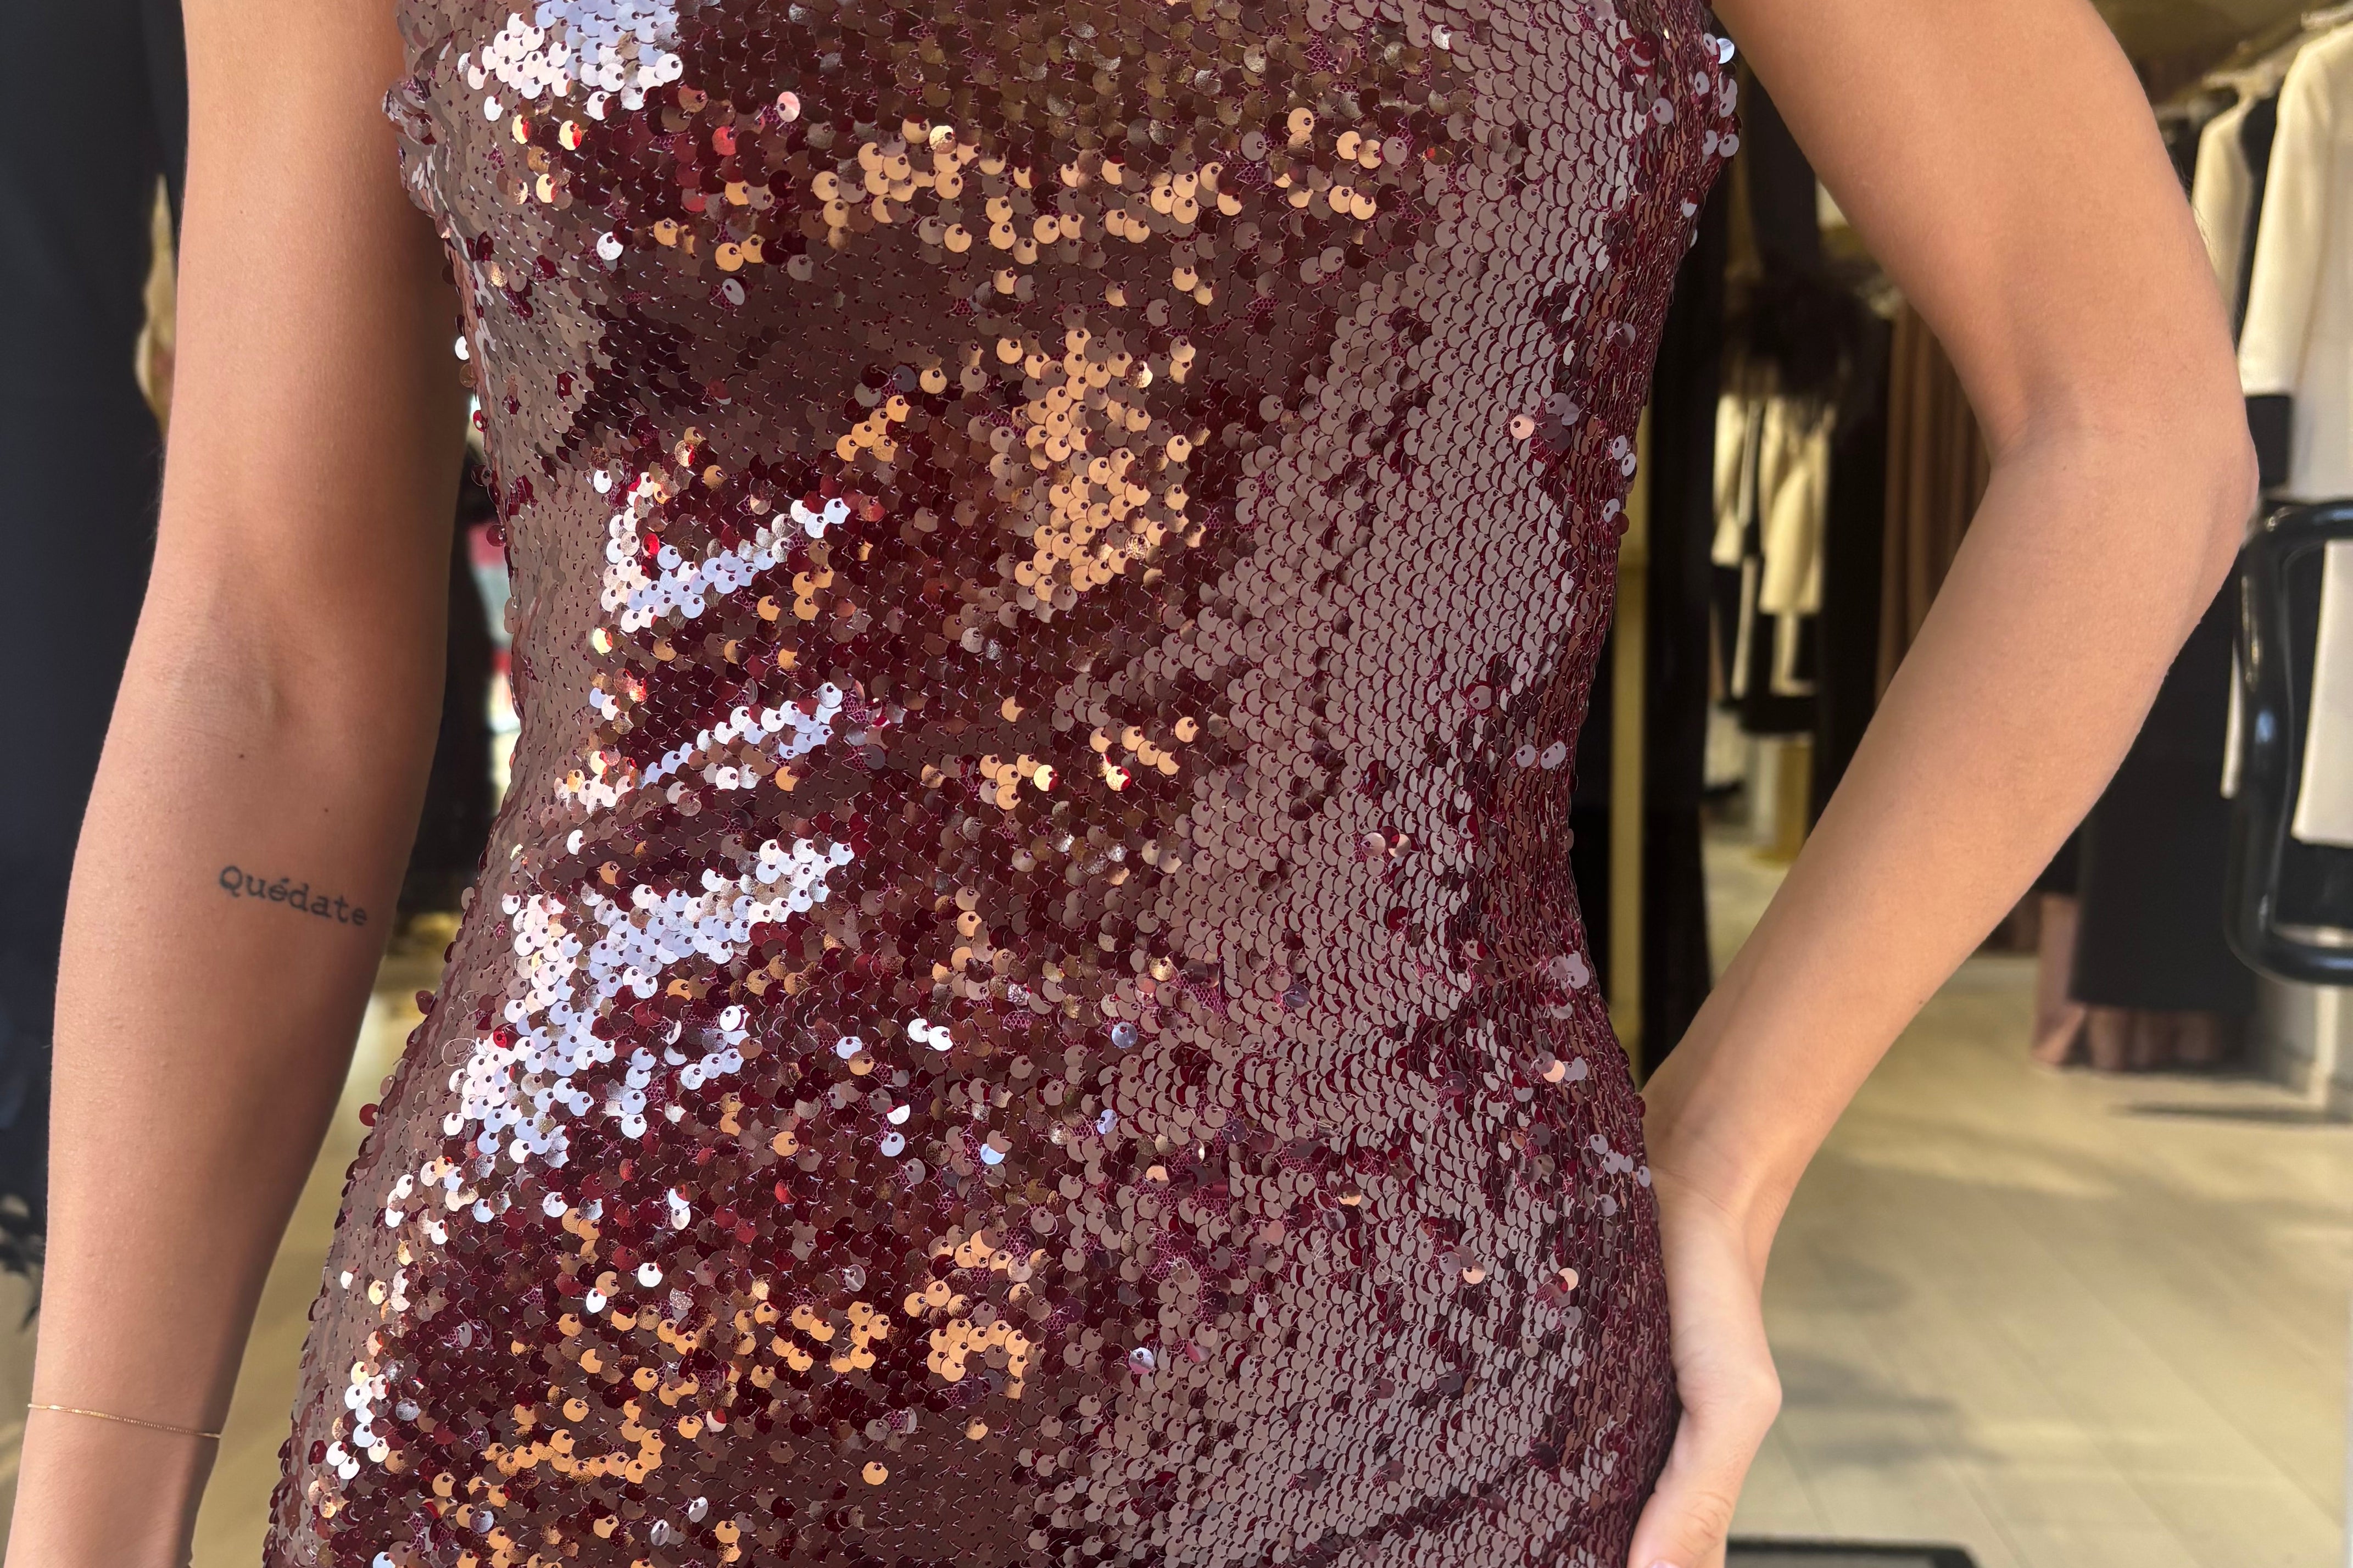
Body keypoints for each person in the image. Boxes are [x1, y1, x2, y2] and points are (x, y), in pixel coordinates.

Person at [3, 0, 2251, 1564]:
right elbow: (269, 660)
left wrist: (1729, 1155)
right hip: (573, 1400)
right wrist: (88, 1493)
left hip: (1416, 1391)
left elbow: (2129, 422)